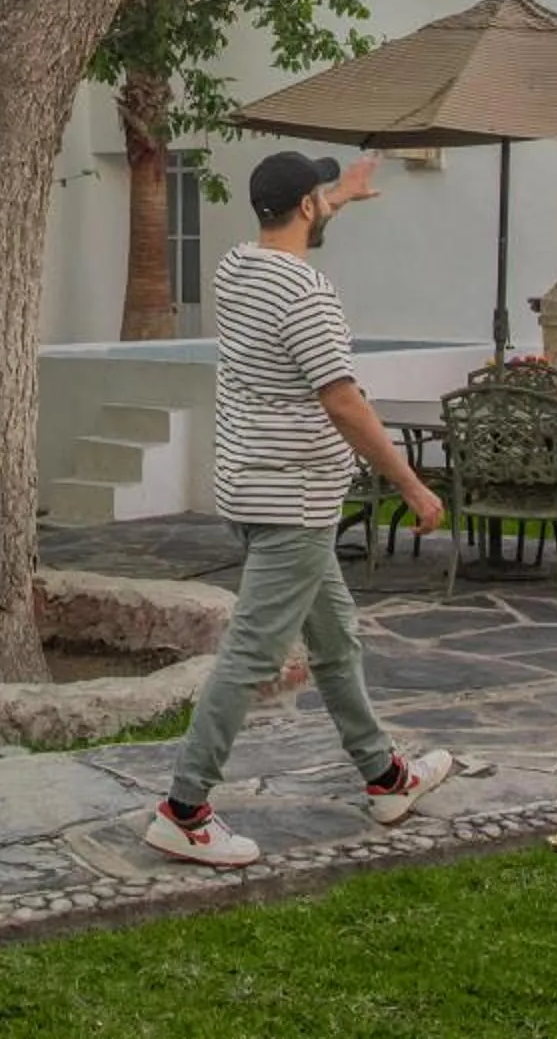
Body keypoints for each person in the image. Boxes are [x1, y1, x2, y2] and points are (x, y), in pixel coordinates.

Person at [145, 147, 456, 869]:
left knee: (336, 639)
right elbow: (342, 398)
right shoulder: (306, 292)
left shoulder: (236, 269)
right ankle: (184, 810)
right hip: (294, 501)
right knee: (251, 654)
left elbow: (293, 223)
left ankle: (385, 779)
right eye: (319, 194)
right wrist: (411, 483)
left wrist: (336, 194)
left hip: (252, 491)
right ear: (306, 208)